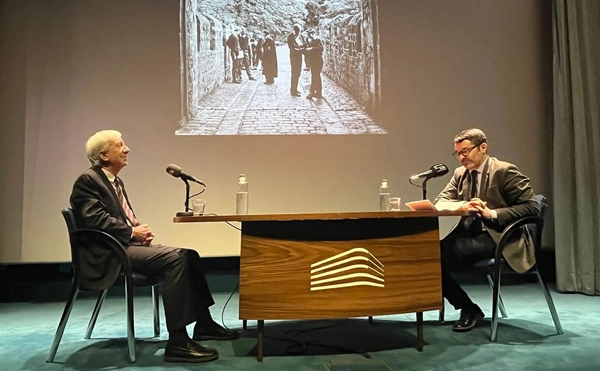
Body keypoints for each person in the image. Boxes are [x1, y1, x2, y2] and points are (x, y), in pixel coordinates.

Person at [70, 130, 239, 363]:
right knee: (175, 259)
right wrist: (131, 232)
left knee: (189, 255)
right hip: (108, 255)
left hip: (122, 246)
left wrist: (138, 230)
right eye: (119, 145)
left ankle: (204, 324)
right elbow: (93, 219)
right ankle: (178, 342)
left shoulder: (113, 180)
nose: (127, 149)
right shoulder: (89, 180)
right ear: (104, 155)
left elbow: (119, 216)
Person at [434, 128, 539, 332]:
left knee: (438, 258)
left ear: (483, 147)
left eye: (466, 151)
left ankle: (467, 309)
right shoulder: (460, 174)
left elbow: (532, 206)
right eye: (457, 153)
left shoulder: (504, 170)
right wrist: (463, 206)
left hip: (499, 235)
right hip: (469, 233)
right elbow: (441, 201)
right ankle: (468, 308)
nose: (461, 158)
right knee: (427, 257)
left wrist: (492, 214)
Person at [287, 24, 306, 96]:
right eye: (297, 31)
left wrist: (301, 48)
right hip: (294, 57)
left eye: (299, 31)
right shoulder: (290, 37)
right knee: (294, 73)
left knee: (298, 73)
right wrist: (301, 48)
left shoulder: (301, 36)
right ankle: (293, 90)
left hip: (299, 56)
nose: (298, 33)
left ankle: (295, 88)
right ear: (295, 30)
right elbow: (292, 47)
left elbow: (305, 44)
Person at [304, 29, 323, 99]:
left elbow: (321, 48)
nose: (309, 36)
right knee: (315, 76)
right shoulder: (309, 40)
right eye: (308, 34)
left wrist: (311, 48)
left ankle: (312, 92)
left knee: (316, 76)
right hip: (313, 61)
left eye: (310, 34)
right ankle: (318, 92)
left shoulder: (317, 39)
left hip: (318, 61)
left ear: (313, 33)